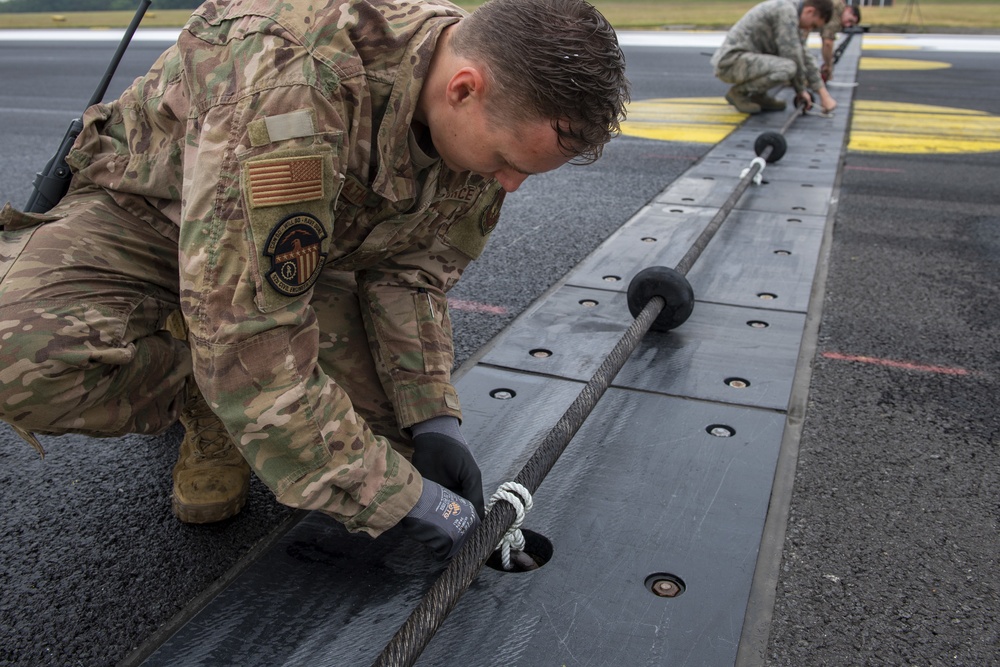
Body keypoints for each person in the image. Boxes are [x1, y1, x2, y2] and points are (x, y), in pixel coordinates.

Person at [0, 0, 629, 560]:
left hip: (298, 248)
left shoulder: (487, 96)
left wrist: (432, 418)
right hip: (145, 217)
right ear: (464, 88)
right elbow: (248, 330)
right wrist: (396, 500)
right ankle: (206, 393)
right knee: (21, 359)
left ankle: (228, 394)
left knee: (390, 450)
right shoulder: (296, 82)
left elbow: (411, 271)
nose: (510, 185)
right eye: (506, 162)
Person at [711, 0, 837, 115]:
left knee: (788, 64)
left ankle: (757, 95)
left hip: (744, 60)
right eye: (813, 25)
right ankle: (739, 93)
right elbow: (792, 53)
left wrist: (823, 95)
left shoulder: (792, 14)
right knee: (787, 68)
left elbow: (804, 56)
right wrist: (801, 90)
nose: (810, 29)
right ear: (810, 11)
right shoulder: (786, 12)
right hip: (731, 62)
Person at [819, 1, 861, 82]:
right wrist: (828, 66)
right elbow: (828, 43)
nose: (847, 25)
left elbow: (825, 41)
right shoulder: (837, 13)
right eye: (850, 21)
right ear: (848, 10)